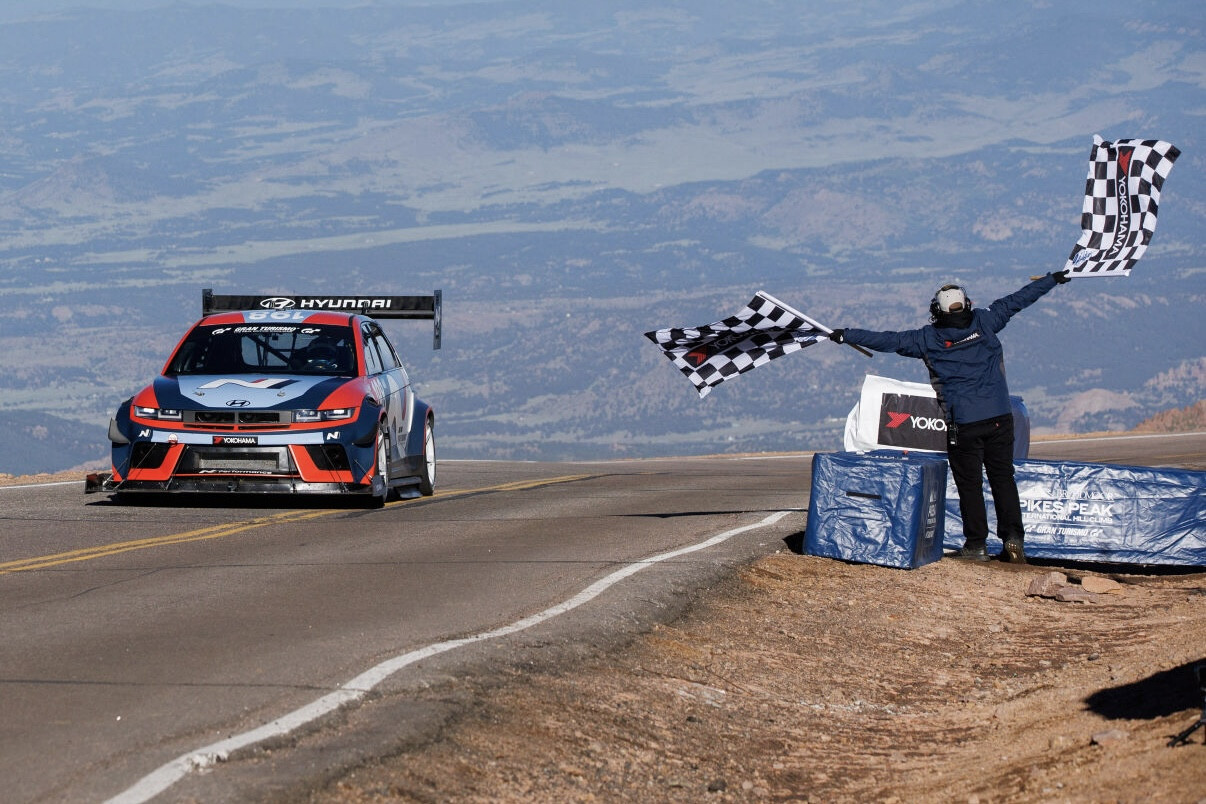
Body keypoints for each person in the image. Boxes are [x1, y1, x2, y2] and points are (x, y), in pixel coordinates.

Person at [829, 271, 1071, 563]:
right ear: (967, 303)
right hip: (999, 418)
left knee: (970, 485)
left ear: (936, 310)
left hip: (964, 424)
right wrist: (1052, 279)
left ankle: (976, 545)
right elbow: (1019, 300)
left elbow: (887, 341)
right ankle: (1013, 538)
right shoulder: (986, 321)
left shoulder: (927, 339)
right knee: (1003, 479)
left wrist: (846, 334)